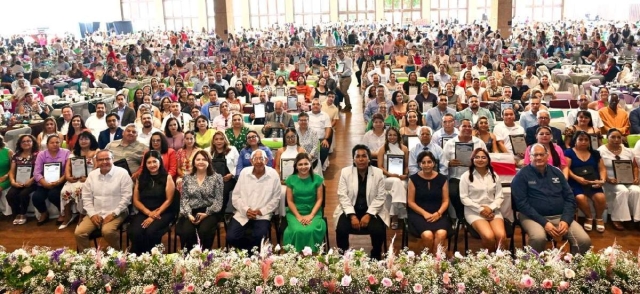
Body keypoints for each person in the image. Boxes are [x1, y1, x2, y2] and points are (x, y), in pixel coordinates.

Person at [512, 143, 591, 255]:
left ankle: (576, 268)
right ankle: (533, 269)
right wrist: (544, 223)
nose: (538, 157)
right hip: (532, 217)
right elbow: (521, 204)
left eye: (541, 154)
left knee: (584, 240)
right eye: (535, 155)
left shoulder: (557, 172)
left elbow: (569, 198)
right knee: (538, 238)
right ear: (530, 157)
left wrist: (566, 219)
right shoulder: (521, 175)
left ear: (547, 156)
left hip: (560, 216)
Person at [334, 145, 389, 260]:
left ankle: (375, 255)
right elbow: (342, 195)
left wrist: (369, 215)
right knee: (341, 229)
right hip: (350, 209)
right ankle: (344, 256)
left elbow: (380, 197)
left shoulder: (378, 173)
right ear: (353, 159)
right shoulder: (345, 172)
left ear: (369, 158)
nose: (361, 159)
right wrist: (352, 215)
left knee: (378, 230)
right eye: (357, 156)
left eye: (364, 156)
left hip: (372, 210)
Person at [74, 150, 132, 252]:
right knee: (79, 233)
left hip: (118, 211)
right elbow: (86, 197)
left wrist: (114, 214)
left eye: (107, 159)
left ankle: (117, 255)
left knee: (107, 231)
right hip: (96, 212)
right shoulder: (92, 175)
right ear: (96, 161)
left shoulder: (122, 173)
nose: (104, 162)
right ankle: (89, 259)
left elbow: (127, 197)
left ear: (112, 159)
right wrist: (92, 214)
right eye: (101, 159)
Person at [227, 149, 281, 250]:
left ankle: (252, 256)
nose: (258, 161)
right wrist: (246, 210)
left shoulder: (273, 174)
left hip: (262, 215)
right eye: (255, 159)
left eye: (261, 158)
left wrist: (261, 211)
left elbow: (276, 199)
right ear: (251, 161)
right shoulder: (244, 172)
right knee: (231, 237)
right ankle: (249, 253)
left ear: (266, 160)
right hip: (243, 213)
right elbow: (235, 196)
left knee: (258, 237)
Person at [128, 150, 176, 255]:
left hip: (163, 212)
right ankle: (139, 257)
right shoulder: (141, 178)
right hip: (145, 211)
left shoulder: (167, 177)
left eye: (155, 161)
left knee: (151, 231)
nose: (152, 165)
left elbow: (169, 200)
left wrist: (154, 215)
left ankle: (152, 257)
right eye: (149, 162)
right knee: (134, 231)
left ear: (160, 161)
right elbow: (136, 200)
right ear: (145, 164)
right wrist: (149, 214)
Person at [459, 148, 506, 252]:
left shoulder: (494, 176)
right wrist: (481, 209)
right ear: (472, 159)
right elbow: (464, 198)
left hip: (493, 210)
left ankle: (501, 264)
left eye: (483, 157)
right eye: (477, 157)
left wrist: (490, 208)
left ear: (488, 160)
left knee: (501, 236)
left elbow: (500, 196)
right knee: (488, 236)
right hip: (473, 211)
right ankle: (489, 263)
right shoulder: (465, 176)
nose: (480, 160)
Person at [177, 150, 224, 250]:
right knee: (186, 231)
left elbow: (218, 200)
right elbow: (184, 198)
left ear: (209, 161)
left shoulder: (217, 178)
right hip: (191, 211)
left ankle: (205, 257)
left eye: (204, 159)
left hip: (210, 211)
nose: (201, 162)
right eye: (198, 159)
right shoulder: (187, 177)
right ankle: (190, 258)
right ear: (194, 162)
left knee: (204, 231)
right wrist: (189, 215)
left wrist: (206, 213)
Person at [407, 150, 450, 254]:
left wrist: (438, 213)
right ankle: (427, 262)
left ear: (434, 163)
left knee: (441, 233)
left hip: (438, 213)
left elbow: (445, 200)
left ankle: (437, 262)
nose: (427, 165)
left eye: (429, 162)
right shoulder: (413, 179)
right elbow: (411, 202)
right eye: (423, 162)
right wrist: (424, 213)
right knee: (428, 235)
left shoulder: (442, 179)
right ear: (419, 164)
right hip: (419, 214)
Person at [565, 131, 608, 232]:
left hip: (593, 181)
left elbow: (602, 169)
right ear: (575, 141)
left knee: (600, 197)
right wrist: (577, 178)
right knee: (580, 197)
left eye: (586, 140)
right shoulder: (569, 152)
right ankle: (589, 217)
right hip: (576, 181)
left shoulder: (595, 153)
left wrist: (602, 180)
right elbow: (566, 168)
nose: (583, 142)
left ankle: (599, 218)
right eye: (580, 139)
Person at [283, 153, 326, 252]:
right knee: (297, 230)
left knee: (311, 230)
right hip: (294, 212)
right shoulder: (290, 179)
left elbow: (319, 199)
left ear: (310, 164)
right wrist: (299, 217)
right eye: (300, 164)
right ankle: (295, 257)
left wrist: (311, 216)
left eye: (306, 164)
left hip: (313, 211)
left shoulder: (317, 179)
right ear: (296, 166)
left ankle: (312, 257)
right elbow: (289, 201)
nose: (303, 167)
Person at [598, 129, 640, 231]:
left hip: (627, 179)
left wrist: (636, 177)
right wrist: (607, 179)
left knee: (637, 190)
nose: (616, 139)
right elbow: (599, 168)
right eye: (613, 137)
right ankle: (617, 218)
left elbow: (635, 167)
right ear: (607, 138)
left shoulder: (628, 151)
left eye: (619, 137)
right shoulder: (601, 151)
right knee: (622, 190)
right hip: (610, 181)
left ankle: (636, 219)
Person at [59, 131, 99, 229]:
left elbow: (97, 167)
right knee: (65, 191)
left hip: (89, 179)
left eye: (86, 139)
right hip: (75, 178)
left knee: (79, 191)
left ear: (91, 140)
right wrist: (68, 176)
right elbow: (68, 166)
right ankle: (68, 216)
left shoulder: (96, 151)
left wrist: (88, 178)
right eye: (81, 139)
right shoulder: (74, 152)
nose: (83, 141)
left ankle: (82, 215)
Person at [32, 135, 70, 225]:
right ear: (47, 144)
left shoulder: (66, 152)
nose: (55, 144)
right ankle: (44, 213)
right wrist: (44, 183)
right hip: (44, 182)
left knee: (53, 195)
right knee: (36, 197)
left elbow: (67, 171)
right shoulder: (41, 154)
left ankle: (62, 213)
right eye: (52, 143)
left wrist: (59, 181)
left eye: (57, 142)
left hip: (60, 181)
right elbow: (36, 172)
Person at [377, 127, 408, 230]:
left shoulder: (404, 148)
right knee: (397, 182)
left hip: (401, 178)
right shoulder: (382, 149)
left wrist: (405, 174)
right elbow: (380, 167)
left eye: (394, 135)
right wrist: (390, 174)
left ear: (398, 136)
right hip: (386, 177)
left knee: (399, 184)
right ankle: (399, 212)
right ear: (386, 136)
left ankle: (394, 215)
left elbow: (407, 166)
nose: (392, 137)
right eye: (390, 135)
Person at [6, 134, 38, 225]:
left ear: (33, 142)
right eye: (23, 141)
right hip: (18, 181)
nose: (26, 143)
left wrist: (31, 180)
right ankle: (17, 213)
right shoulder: (16, 155)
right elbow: (12, 171)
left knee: (23, 194)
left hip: (32, 181)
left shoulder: (37, 155)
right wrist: (13, 182)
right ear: (20, 144)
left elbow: (39, 171)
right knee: (10, 195)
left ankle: (23, 214)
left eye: (29, 141)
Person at [209, 131, 239, 214]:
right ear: (213, 141)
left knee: (222, 190)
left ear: (225, 140)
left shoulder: (232, 149)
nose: (219, 141)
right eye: (216, 139)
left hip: (228, 179)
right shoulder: (208, 151)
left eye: (221, 139)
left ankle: (219, 215)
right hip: (212, 178)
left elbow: (238, 165)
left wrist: (231, 174)